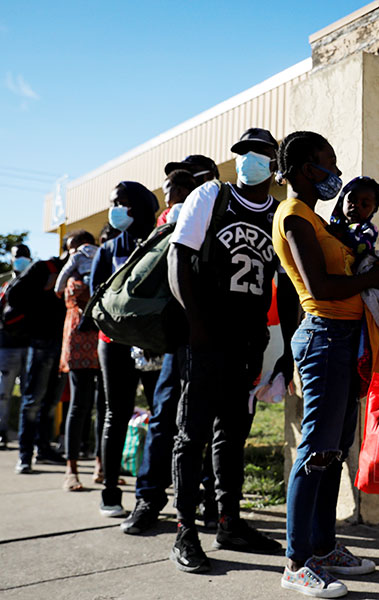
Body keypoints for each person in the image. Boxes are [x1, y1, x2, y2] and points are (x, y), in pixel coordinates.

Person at [274, 131, 379, 598]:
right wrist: (368, 277)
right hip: (324, 338)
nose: (335, 173)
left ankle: (324, 548)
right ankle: (297, 560)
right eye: (329, 163)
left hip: (348, 339)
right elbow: (321, 287)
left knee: (334, 448)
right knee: (314, 451)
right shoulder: (295, 217)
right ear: (307, 168)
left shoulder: (319, 220)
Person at [168, 128, 291, 573]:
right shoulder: (211, 196)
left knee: (233, 434)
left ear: (272, 165)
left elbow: (285, 284)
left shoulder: (277, 213)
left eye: (260, 154)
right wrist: (196, 323)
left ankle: (229, 522)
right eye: (244, 152)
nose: (250, 160)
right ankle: (185, 529)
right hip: (206, 339)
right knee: (192, 433)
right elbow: (179, 259)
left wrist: (283, 349)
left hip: (247, 341)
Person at [121, 159, 216, 536]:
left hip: (216, 337)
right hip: (178, 338)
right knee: (162, 421)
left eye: (191, 183)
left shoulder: (223, 214)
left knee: (209, 426)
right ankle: (149, 498)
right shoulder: (170, 222)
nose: (178, 194)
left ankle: (212, 501)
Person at [90, 181, 159, 515]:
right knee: (116, 413)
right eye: (112, 202)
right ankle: (110, 491)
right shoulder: (108, 250)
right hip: (114, 345)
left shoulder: (160, 242)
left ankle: (152, 490)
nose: (115, 208)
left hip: (154, 344)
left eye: (122, 201)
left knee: (163, 416)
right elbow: (96, 304)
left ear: (141, 204)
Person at [9, 245, 68, 473]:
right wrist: (44, 290)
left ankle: (44, 449)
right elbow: (15, 295)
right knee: (33, 400)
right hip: (42, 343)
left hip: (63, 345)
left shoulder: (78, 271)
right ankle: (25, 455)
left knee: (51, 402)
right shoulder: (44, 268)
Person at [57, 231, 101, 491]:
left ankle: (101, 465)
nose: (72, 253)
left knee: (104, 407)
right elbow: (65, 291)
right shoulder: (71, 273)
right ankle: (71, 469)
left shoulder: (97, 262)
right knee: (78, 405)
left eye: (74, 247)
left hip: (101, 338)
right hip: (77, 340)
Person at [0, 244, 33, 450]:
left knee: (30, 396)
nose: (20, 259)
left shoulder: (35, 281)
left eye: (24, 256)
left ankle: (28, 437)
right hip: (7, 346)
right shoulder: (5, 283)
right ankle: (2, 432)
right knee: (4, 393)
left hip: (30, 346)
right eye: (16, 256)